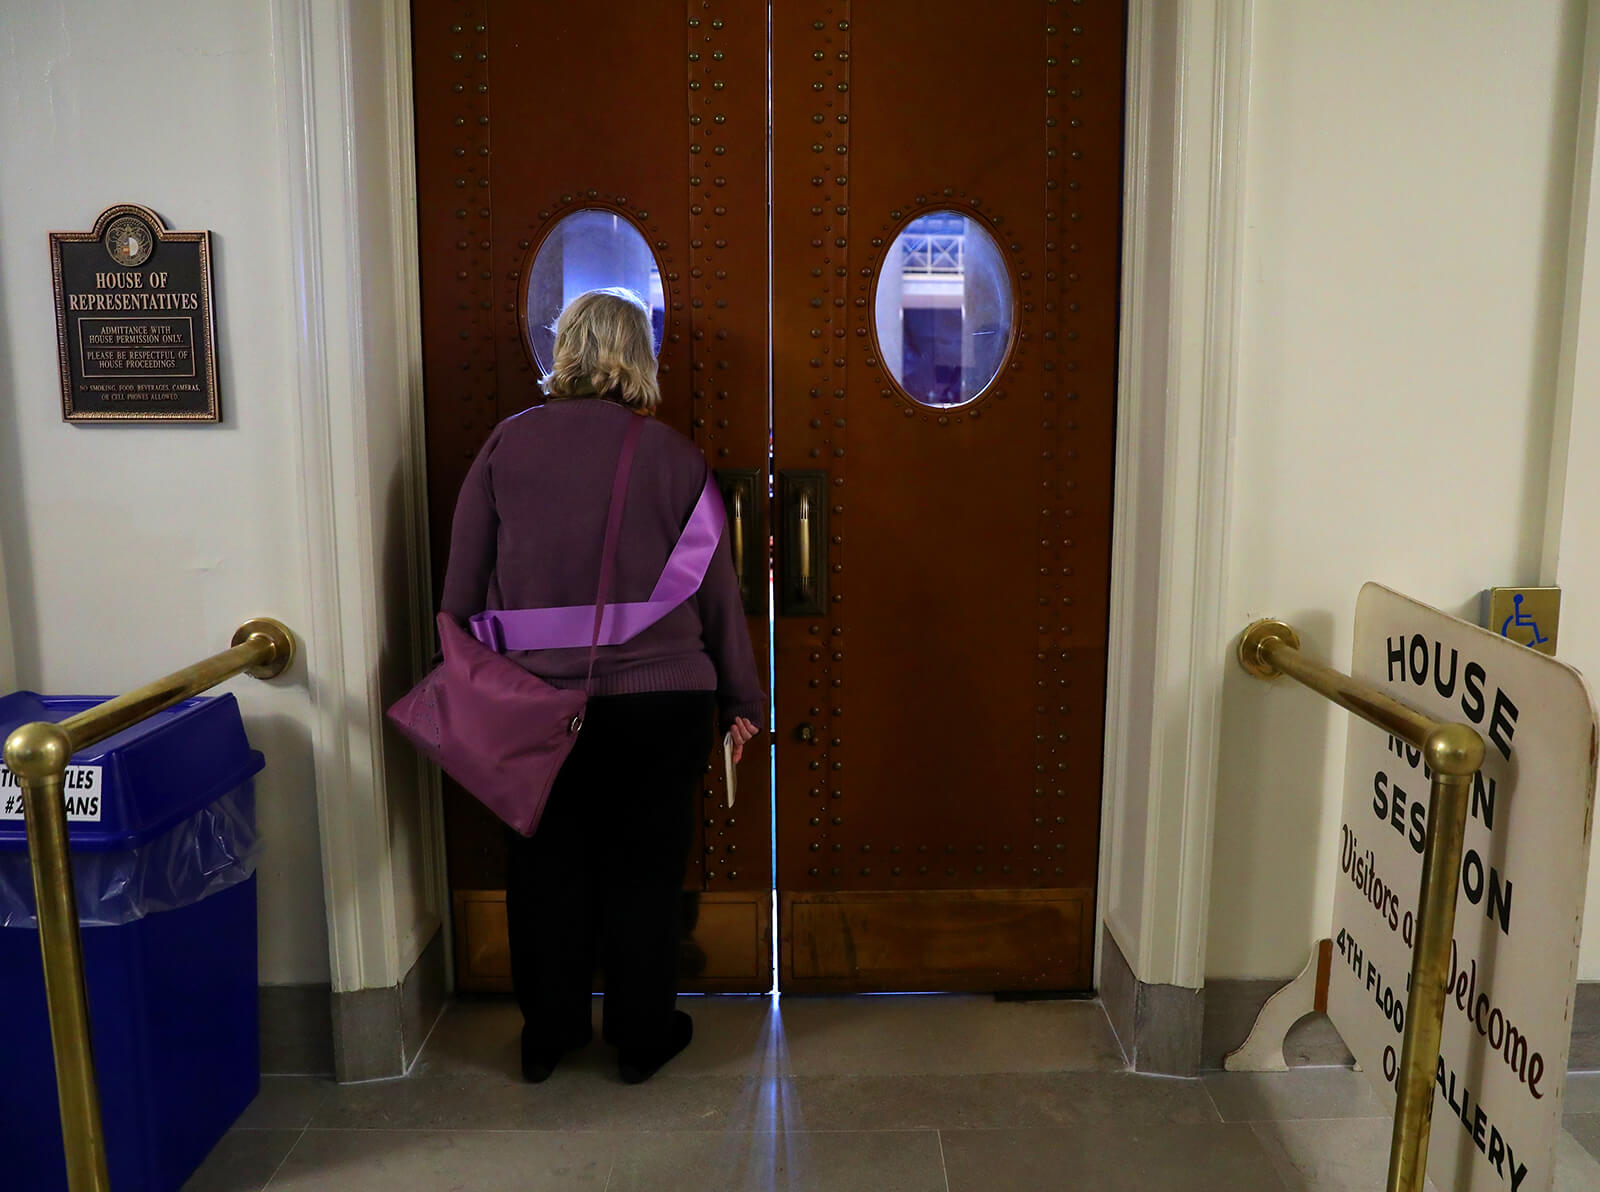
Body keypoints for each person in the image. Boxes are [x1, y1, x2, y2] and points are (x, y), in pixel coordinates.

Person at [439, 287, 765, 1084]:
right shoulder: (677, 459)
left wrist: (483, 688)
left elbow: (460, 595)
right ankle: (642, 1039)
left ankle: (547, 1038)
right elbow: (717, 597)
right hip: (664, 704)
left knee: (542, 869)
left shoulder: (504, 448)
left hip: (535, 705)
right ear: (640, 358)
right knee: (645, 874)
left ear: (563, 351)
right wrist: (743, 700)